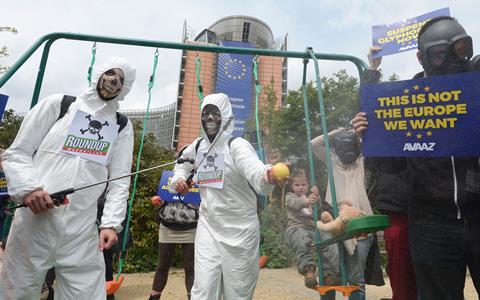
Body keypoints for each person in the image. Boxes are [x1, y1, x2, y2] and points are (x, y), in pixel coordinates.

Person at [352, 16, 480, 300]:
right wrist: (370, 137)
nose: (452, 60)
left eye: (460, 50)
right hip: (432, 224)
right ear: (422, 57)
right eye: (439, 54)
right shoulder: (405, 102)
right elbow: (389, 165)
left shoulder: (477, 91)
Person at [0, 56, 136, 300]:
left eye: (120, 81)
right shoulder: (59, 105)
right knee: (17, 292)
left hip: (82, 230)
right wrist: (30, 188)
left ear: (124, 89)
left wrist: (110, 224)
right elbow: (17, 153)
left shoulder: (121, 126)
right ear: (99, 74)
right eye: (110, 74)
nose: (113, 82)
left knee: (86, 295)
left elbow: (120, 180)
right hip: (34, 224)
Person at [171, 93, 279, 300]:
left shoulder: (237, 145)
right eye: (205, 113)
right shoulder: (197, 146)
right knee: (203, 291)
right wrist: (180, 180)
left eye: (214, 113)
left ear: (226, 117)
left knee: (237, 293)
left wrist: (267, 175)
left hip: (240, 231)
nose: (209, 118)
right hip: (209, 226)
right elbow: (182, 164)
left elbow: (254, 170)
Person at [361, 46, 418, 300]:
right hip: (398, 211)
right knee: (401, 274)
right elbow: (368, 110)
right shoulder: (386, 136)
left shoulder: (432, 133)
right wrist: (372, 70)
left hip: (435, 212)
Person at [311, 128, 376, 300]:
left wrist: (357, 134)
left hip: (360, 225)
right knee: (328, 276)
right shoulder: (332, 161)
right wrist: (337, 132)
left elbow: (371, 144)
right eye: (343, 144)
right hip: (335, 224)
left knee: (356, 281)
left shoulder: (361, 162)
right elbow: (314, 144)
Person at [148, 146, 196, 300]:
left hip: (191, 228)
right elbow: (163, 197)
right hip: (168, 225)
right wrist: (159, 201)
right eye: (181, 156)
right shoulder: (170, 176)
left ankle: (193, 297)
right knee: (162, 266)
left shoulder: (202, 177)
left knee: (191, 268)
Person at [285, 167, 339, 293]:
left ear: (308, 184)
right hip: (296, 229)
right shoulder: (289, 196)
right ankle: (308, 270)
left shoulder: (311, 197)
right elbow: (295, 203)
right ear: (292, 186)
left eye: (303, 184)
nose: (300, 187)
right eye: (297, 185)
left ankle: (329, 275)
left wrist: (317, 197)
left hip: (312, 230)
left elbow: (317, 209)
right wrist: (307, 201)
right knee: (302, 240)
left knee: (329, 241)